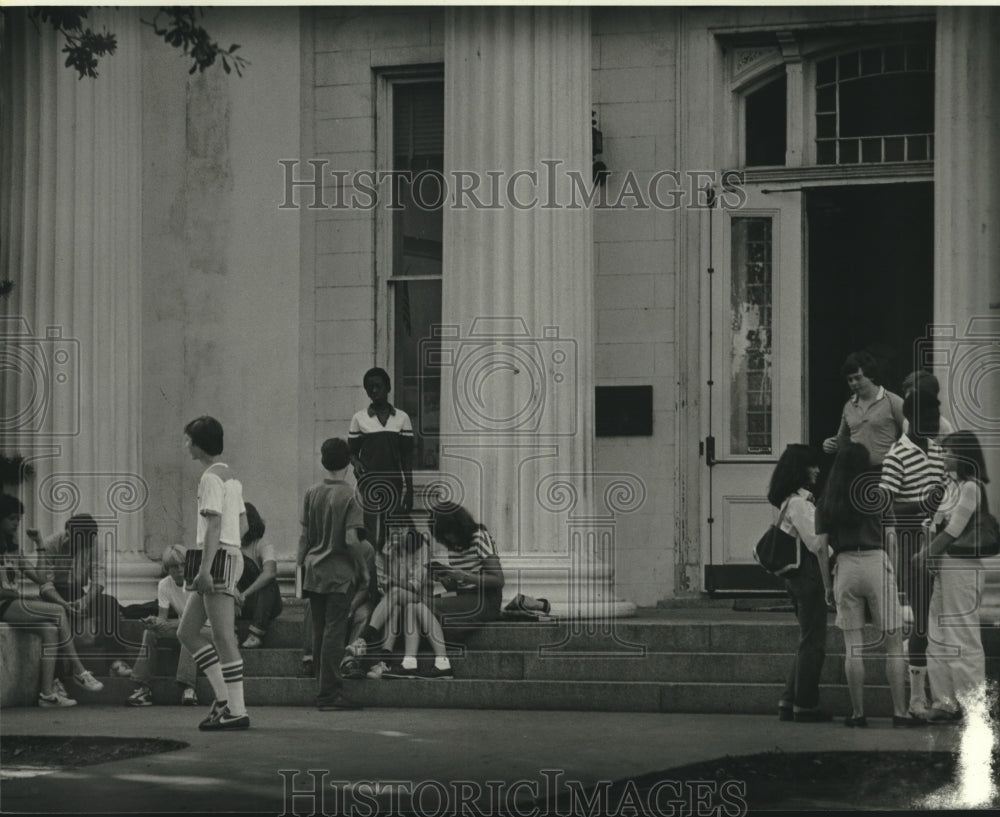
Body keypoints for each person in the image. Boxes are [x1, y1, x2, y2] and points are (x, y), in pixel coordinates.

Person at [816, 443, 923, 728]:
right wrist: (895, 576)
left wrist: (828, 585)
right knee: (893, 645)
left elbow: (819, 547)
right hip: (876, 561)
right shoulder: (879, 495)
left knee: (853, 646)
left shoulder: (827, 500)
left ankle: (857, 713)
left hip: (846, 565)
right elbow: (890, 538)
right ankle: (900, 712)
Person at [177, 415, 251, 731]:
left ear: (199, 443)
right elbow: (244, 524)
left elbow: (214, 524)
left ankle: (236, 709)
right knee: (187, 632)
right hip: (228, 555)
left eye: (188, 439)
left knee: (222, 635)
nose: (186, 445)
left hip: (215, 558)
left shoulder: (209, 478)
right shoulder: (230, 476)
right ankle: (225, 701)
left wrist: (206, 569)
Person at [914, 431, 991, 723]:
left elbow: (955, 528)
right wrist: (931, 551)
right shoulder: (952, 487)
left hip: (962, 566)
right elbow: (936, 523)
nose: (942, 456)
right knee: (938, 633)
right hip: (947, 565)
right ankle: (945, 702)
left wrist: (926, 554)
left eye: (947, 452)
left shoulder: (972, 487)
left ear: (962, 455)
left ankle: (972, 707)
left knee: (962, 634)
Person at [0, 494, 103, 706]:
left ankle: (47, 694)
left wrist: (39, 544)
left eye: (18, 519)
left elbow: (40, 577)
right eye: (11, 518)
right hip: (4, 603)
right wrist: (20, 596)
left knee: (50, 629)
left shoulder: (13, 550)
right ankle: (78, 670)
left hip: (12, 603)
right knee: (58, 611)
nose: (16, 523)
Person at [879, 390, 945, 718]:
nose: (935, 424)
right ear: (914, 419)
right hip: (911, 545)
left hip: (941, 543)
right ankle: (917, 698)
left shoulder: (939, 451)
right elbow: (885, 505)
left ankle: (943, 695)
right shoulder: (896, 455)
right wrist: (921, 505)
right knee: (921, 621)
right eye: (930, 418)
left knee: (939, 621)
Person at [299, 437, 368, 711]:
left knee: (318, 629)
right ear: (349, 463)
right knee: (334, 631)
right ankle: (329, 693)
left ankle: (321, 684)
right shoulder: (351, 495)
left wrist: (300, 565)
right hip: (338, 573)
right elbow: (351, 539)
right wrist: (362, 569)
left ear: (323, 461)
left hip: (313, 570)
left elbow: (304, 536)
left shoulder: (312, 492)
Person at [767, 444, 832, 723]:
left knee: (807, 639)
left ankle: (789, 699)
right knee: (814, 641)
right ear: (800, 470)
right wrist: (837, 553)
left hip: (795, 579)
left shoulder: (787, 502)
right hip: (809, 577)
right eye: (812, 466)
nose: (817, 470)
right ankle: (806, 704)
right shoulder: (800, 504)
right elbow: (816, 544)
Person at [126, 544, 210, 707]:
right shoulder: (165, 584)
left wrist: (170, 625)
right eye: (173, 567)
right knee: (150, 633)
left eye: (182, 565)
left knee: (188, 633)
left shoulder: (197, 581)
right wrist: (155, 622)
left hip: (208, 630)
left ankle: (188, 688)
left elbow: (199, 620)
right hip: (183, 628)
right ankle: (144, 689)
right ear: (167, 568)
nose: (179, 570)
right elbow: (163, 619)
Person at [29, 514, 121, 651]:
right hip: (54, 594)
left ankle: (115, 661)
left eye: (82, 545)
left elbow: (99, 578)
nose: (77, 547)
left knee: (110, 603)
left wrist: (85, 600)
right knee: (57, 616)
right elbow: (45, 584)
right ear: (68, 533)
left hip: (78, 593)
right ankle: (60, 667)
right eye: (75, 542)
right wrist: (64, 604)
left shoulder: (94, 543)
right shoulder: (50, 544)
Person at [377, 519, 454, 680]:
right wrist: (387, 558)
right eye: (392, 528)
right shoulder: (385, 550)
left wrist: (393, 582)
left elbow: (415, 585)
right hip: (397, 602)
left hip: (419, 597)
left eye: (401, 527)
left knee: (398, 594)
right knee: (398, 603)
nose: (396, 532)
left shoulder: (420, 546)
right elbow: (381, 584)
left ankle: (367, 636)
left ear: (409, 528)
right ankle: (406, 662)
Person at [349, 367, 414, 550]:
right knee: (370, 534)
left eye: (378, 386)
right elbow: (351, 452)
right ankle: (371, 576)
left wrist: (409, 489)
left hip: (394, 484)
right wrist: (357, 462)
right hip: (368, 484)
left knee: (392, 535)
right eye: (370, 388)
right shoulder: (359, 418)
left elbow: (407, 456)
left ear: (388, 388)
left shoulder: (402, 418)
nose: (374, 391)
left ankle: (387, 576)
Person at [822, 351, 904, 468]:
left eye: (858, 378)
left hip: (886, 470)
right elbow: (842, 439)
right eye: (850, 380)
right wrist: (830, 444)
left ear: (871, 376)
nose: (854, 383)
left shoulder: (894, 401)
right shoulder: (849, 406)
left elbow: (910, 435)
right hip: (856, 470)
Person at [428, 504, 505, 626]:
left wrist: (465, 577)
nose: (448, 537)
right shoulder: (452, 546)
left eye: (450, 531)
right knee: (420, 604)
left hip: (485, 599)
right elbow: (457, 588)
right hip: (464, 596)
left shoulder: (479, 537)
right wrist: (445, 578)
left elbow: (498, 580)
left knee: (428, 605)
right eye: (444, 535)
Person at [236, 503, 282, 649]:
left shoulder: (262, 544)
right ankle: (231, 634)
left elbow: (270, 572)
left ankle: (255, 635)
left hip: (263, 603)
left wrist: (245, 593)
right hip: (238, 604)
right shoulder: (229, 546)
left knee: (270, 583)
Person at [900, 369, 954, 441]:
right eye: (908, 393)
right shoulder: (907, 421)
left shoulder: (943, 427)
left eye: (913, 393)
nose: (907, 396)